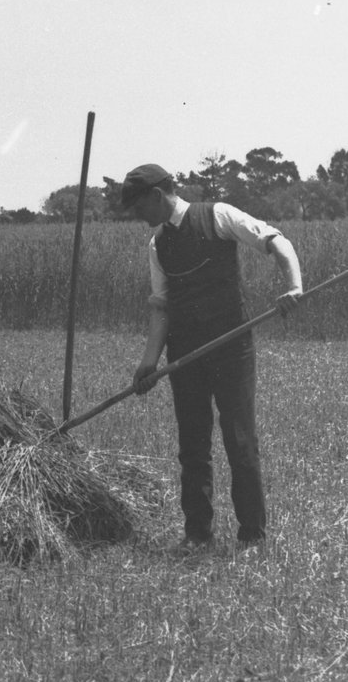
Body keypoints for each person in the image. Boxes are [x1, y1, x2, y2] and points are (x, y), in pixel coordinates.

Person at [119, 163, 303, 551]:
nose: (138, 218)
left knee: (240, 441)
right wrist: (149, 362)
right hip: (185, 355)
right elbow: (162, 308)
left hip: (232, 348)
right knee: (193, 446)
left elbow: (276, 241)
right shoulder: (158, 245)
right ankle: (197, 535)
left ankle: (252, 537)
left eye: (138, 207)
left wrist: (294, 286)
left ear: (156, 196)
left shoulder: (217, 216)